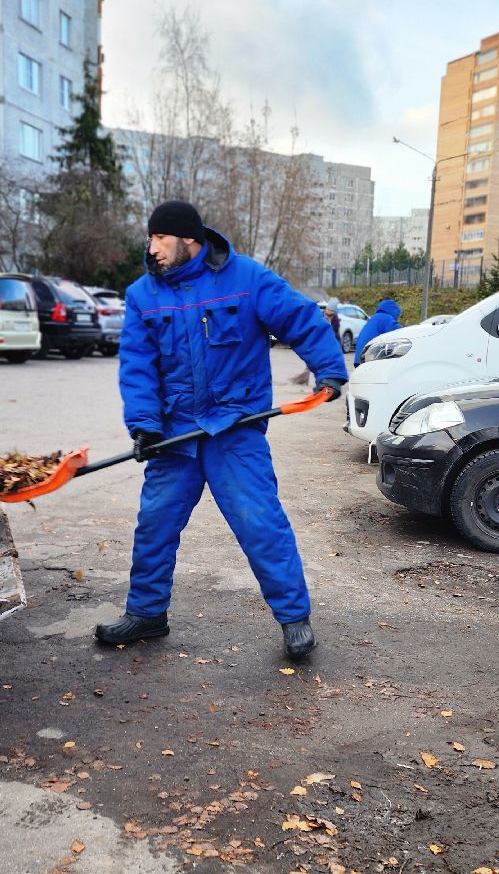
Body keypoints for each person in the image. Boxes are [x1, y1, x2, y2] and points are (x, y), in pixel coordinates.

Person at [95, 201, 348, 660]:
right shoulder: (142, 294)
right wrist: (145, 425)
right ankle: (147, 613)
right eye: (151, 238)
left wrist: (328, 369)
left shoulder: (245, 278)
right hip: (175, 432)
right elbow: (137, 366)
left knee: (260, 522)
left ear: (188, 239)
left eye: (160, 238)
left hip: (235, 426)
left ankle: (294, 619)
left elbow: (300, 318)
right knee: (155, 524)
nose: (152, 248)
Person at [353, 298, 402, 366]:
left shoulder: (374, 318)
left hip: (359, 357)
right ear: (394, 311)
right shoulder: (387, 319)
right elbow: (398, 332)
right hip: (368, 357)